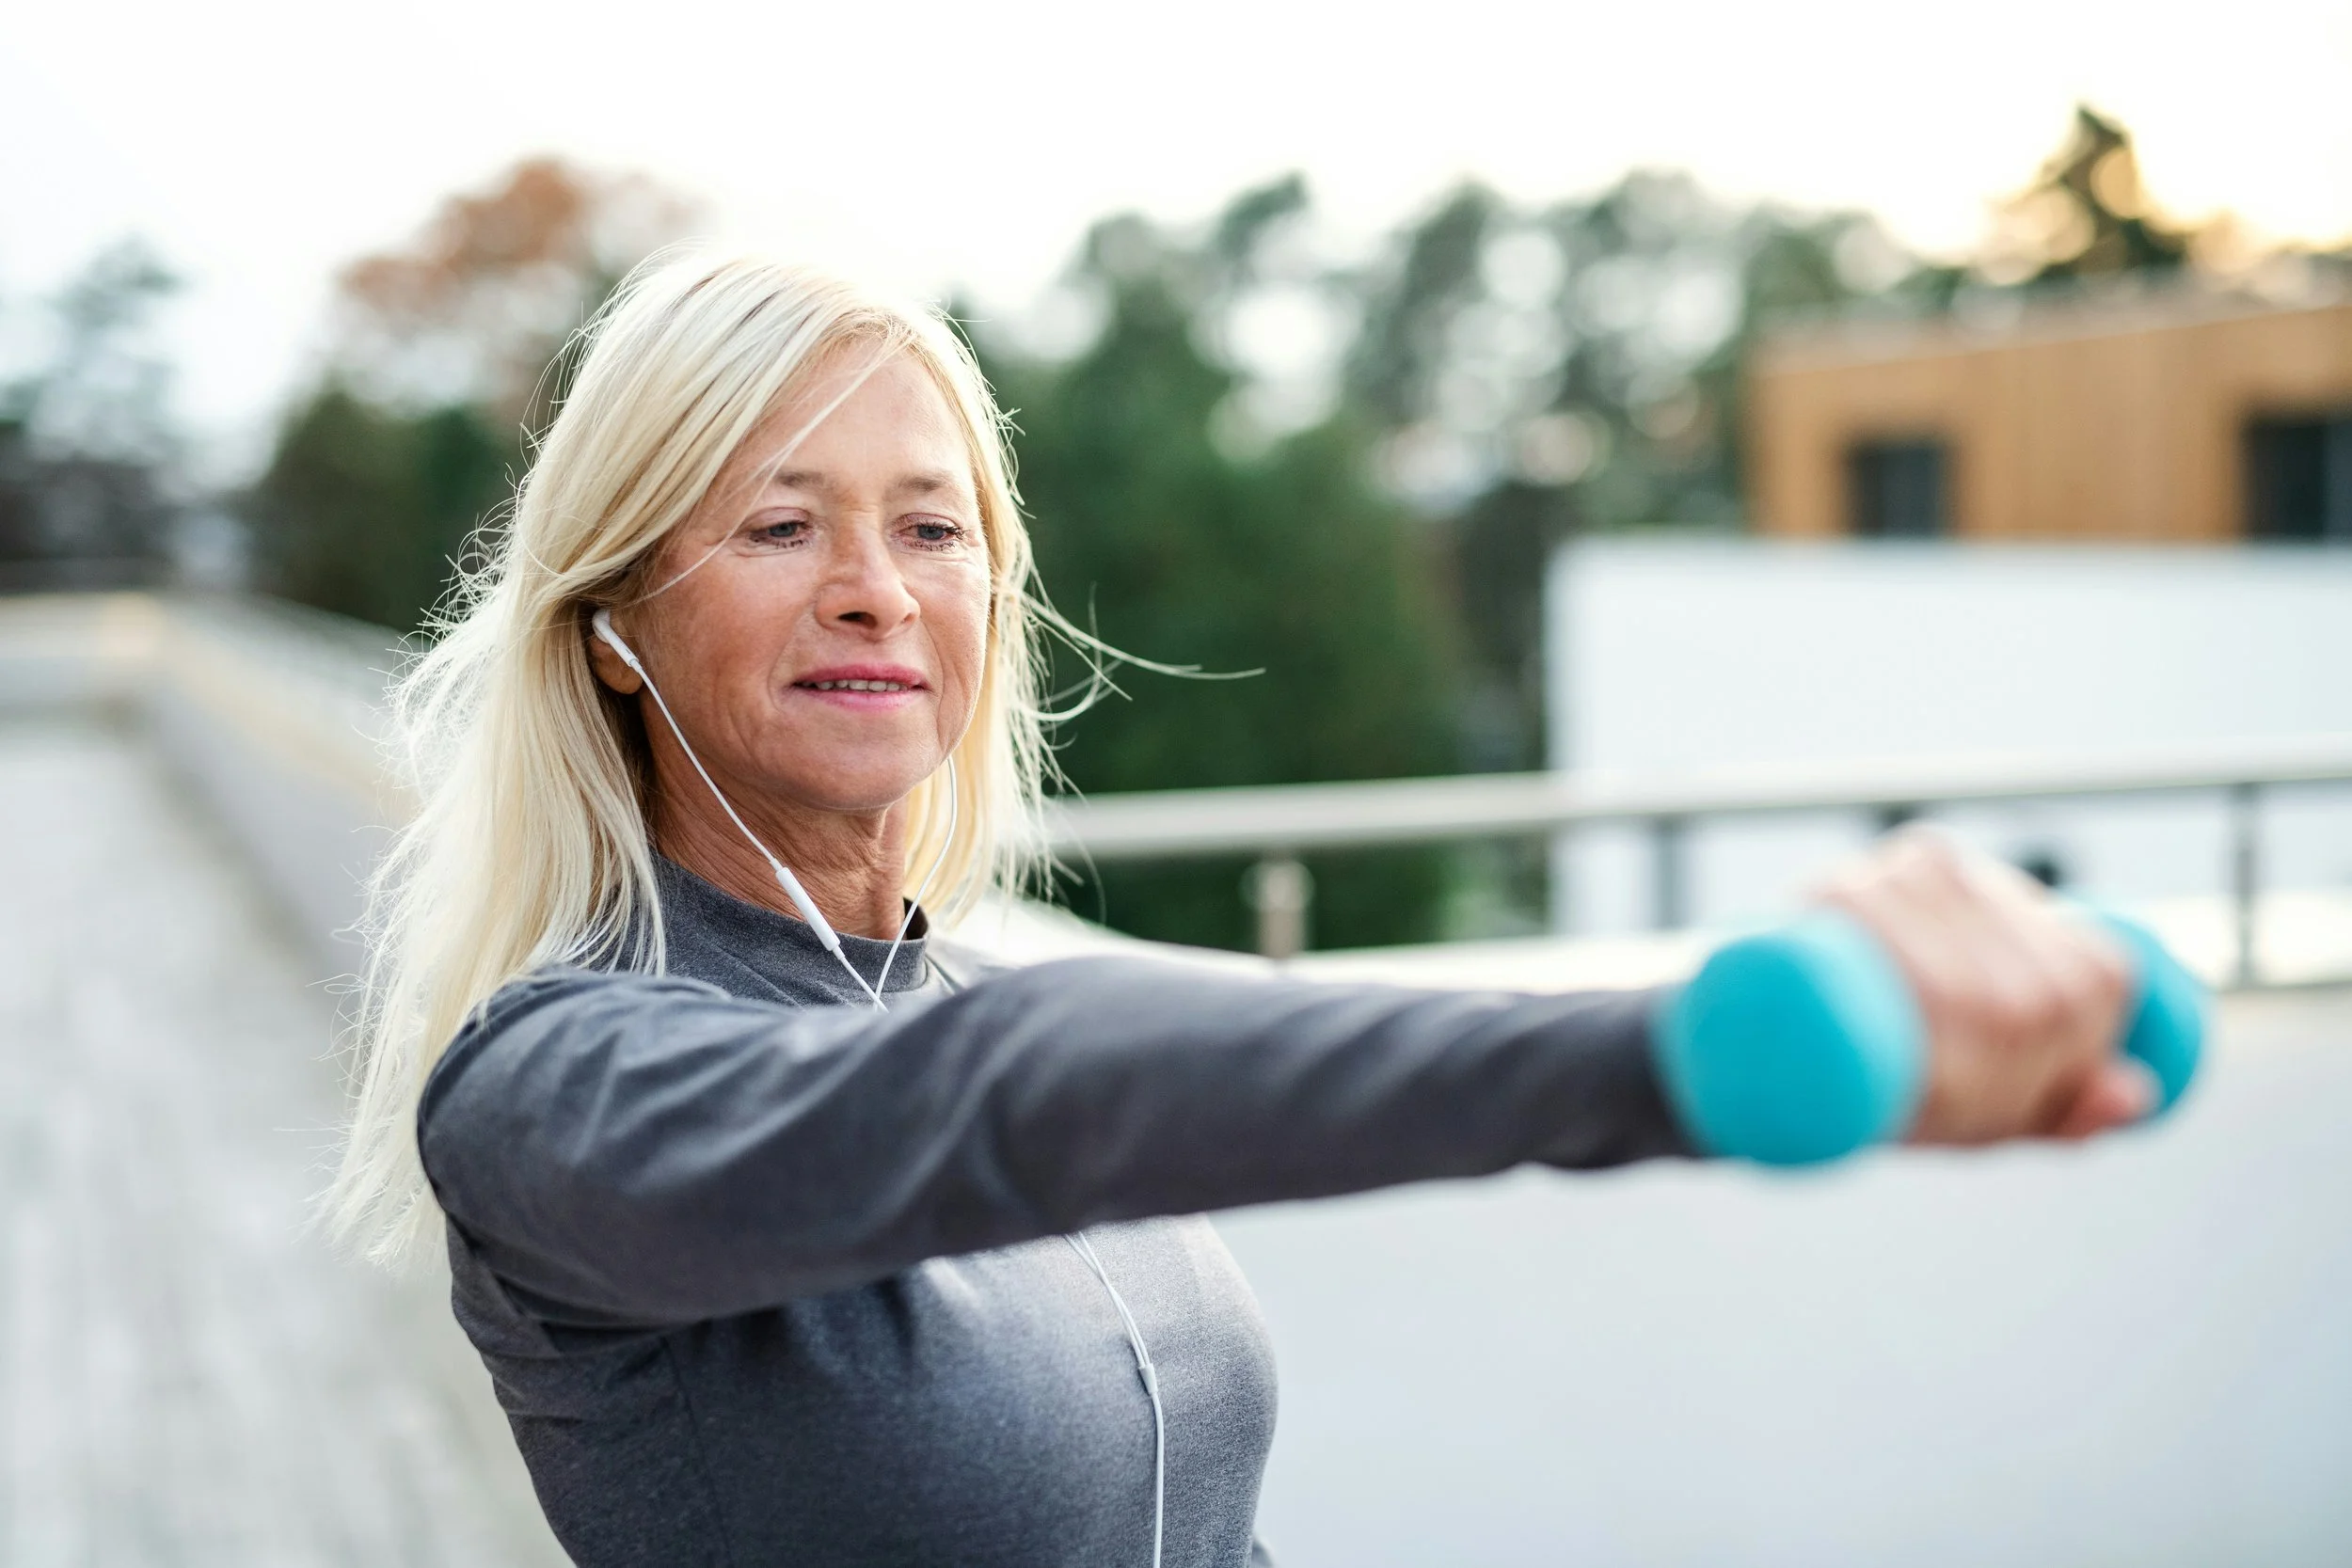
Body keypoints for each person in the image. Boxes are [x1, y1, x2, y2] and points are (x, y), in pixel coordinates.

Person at [327, 250, 2153, 1568]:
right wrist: (1668, 1051)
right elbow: (1027, 1084)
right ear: (618, 624)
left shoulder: (949, 980)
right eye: (779, 525)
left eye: (931, 525)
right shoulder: (556, 1085)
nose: (877, 590)